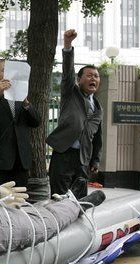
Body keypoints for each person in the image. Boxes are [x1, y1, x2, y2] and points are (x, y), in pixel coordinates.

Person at [46, 29, 103, 199]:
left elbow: (98, 137)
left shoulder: (98, 107)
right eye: (89, 75)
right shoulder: (70, 92)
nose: (94, 78)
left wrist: (95, 160)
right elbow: (68, 72)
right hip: (63, 154)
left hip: (82, 159)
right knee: (59, 199)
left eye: (97, 76)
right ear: (79, 80)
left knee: (78, 202)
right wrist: (68, 46)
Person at [0, 60, 40, 187]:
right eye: (4, 70)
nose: (8, 74)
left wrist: (26, 103)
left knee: (20, 200)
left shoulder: (21, 98)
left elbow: (36, 122)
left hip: (21, 160)